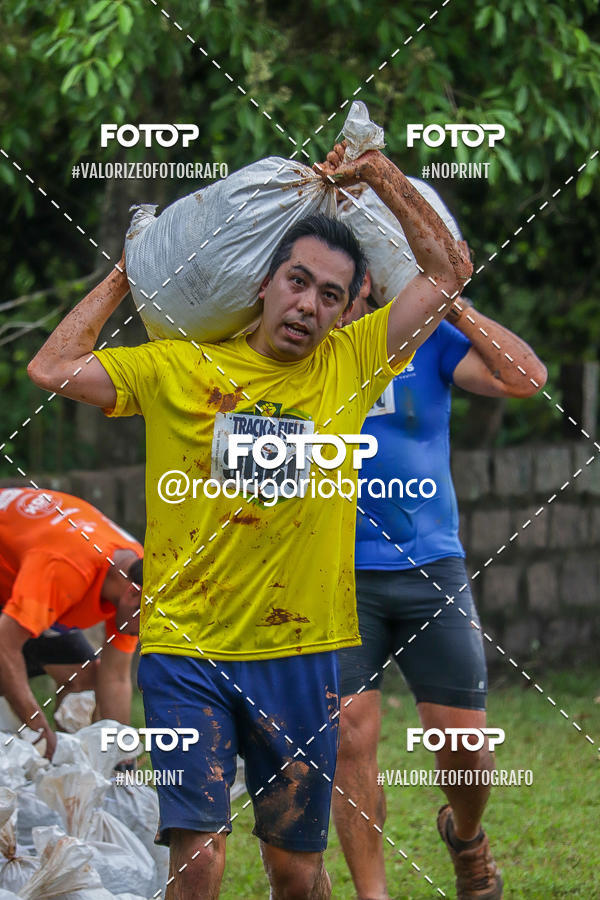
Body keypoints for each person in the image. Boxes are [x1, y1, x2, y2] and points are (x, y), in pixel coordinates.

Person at [27, 143, 472, 900]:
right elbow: (52, 367)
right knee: (198, 862)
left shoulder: (353, 364)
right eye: (297, 282)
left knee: (295, 874)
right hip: (185, 652)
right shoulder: (178, 367)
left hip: (300, 653)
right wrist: (125, 277)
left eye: (331, 296)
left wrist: (379, 176)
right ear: (262, 285)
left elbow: (449, 274)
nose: (309, 305)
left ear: (344, 311)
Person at [332, 263, 547, 899]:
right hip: (333, 572)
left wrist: (450, 304)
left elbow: (524, 377)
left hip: (431, 567)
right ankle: (374, 894)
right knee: (349, 736)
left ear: (370, 277)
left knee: (463, 742)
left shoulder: (423, 335)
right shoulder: (292, 347)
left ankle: (467, 836)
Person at [0, 487, 142, 759]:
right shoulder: (66, 569)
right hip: (19, 581)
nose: (145, 634)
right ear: (132, 594)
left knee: (83, 684)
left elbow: (115, 676)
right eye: (146, 623)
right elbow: (5, 644)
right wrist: (38, 728)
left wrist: (122, 758)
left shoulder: (137, 571)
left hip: (21, 583)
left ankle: (67, 774)